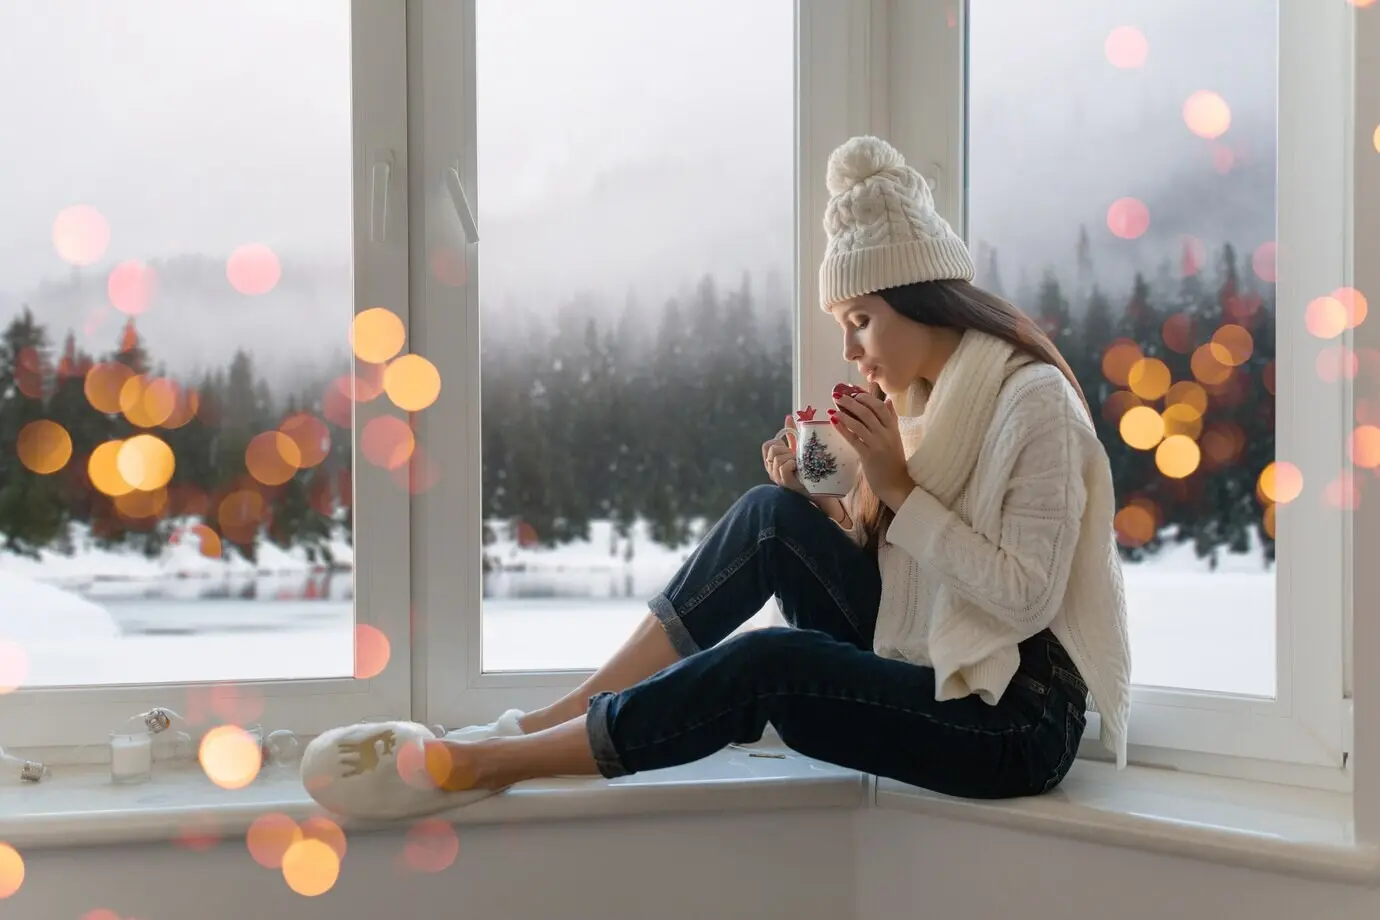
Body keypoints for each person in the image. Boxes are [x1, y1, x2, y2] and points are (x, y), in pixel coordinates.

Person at [305, 135, 1132, 818]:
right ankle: (547, 720)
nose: (851, 349)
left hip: (1014, 718)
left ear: (922, 297)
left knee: (770, 664)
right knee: (771, 514)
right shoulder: (924, 400)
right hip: (939, 662)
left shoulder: (1033, 400)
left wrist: (900, 487)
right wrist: (843, 500)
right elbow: (917, 582)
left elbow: (1022, 597)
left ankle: (489, 766)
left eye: (861, 321)